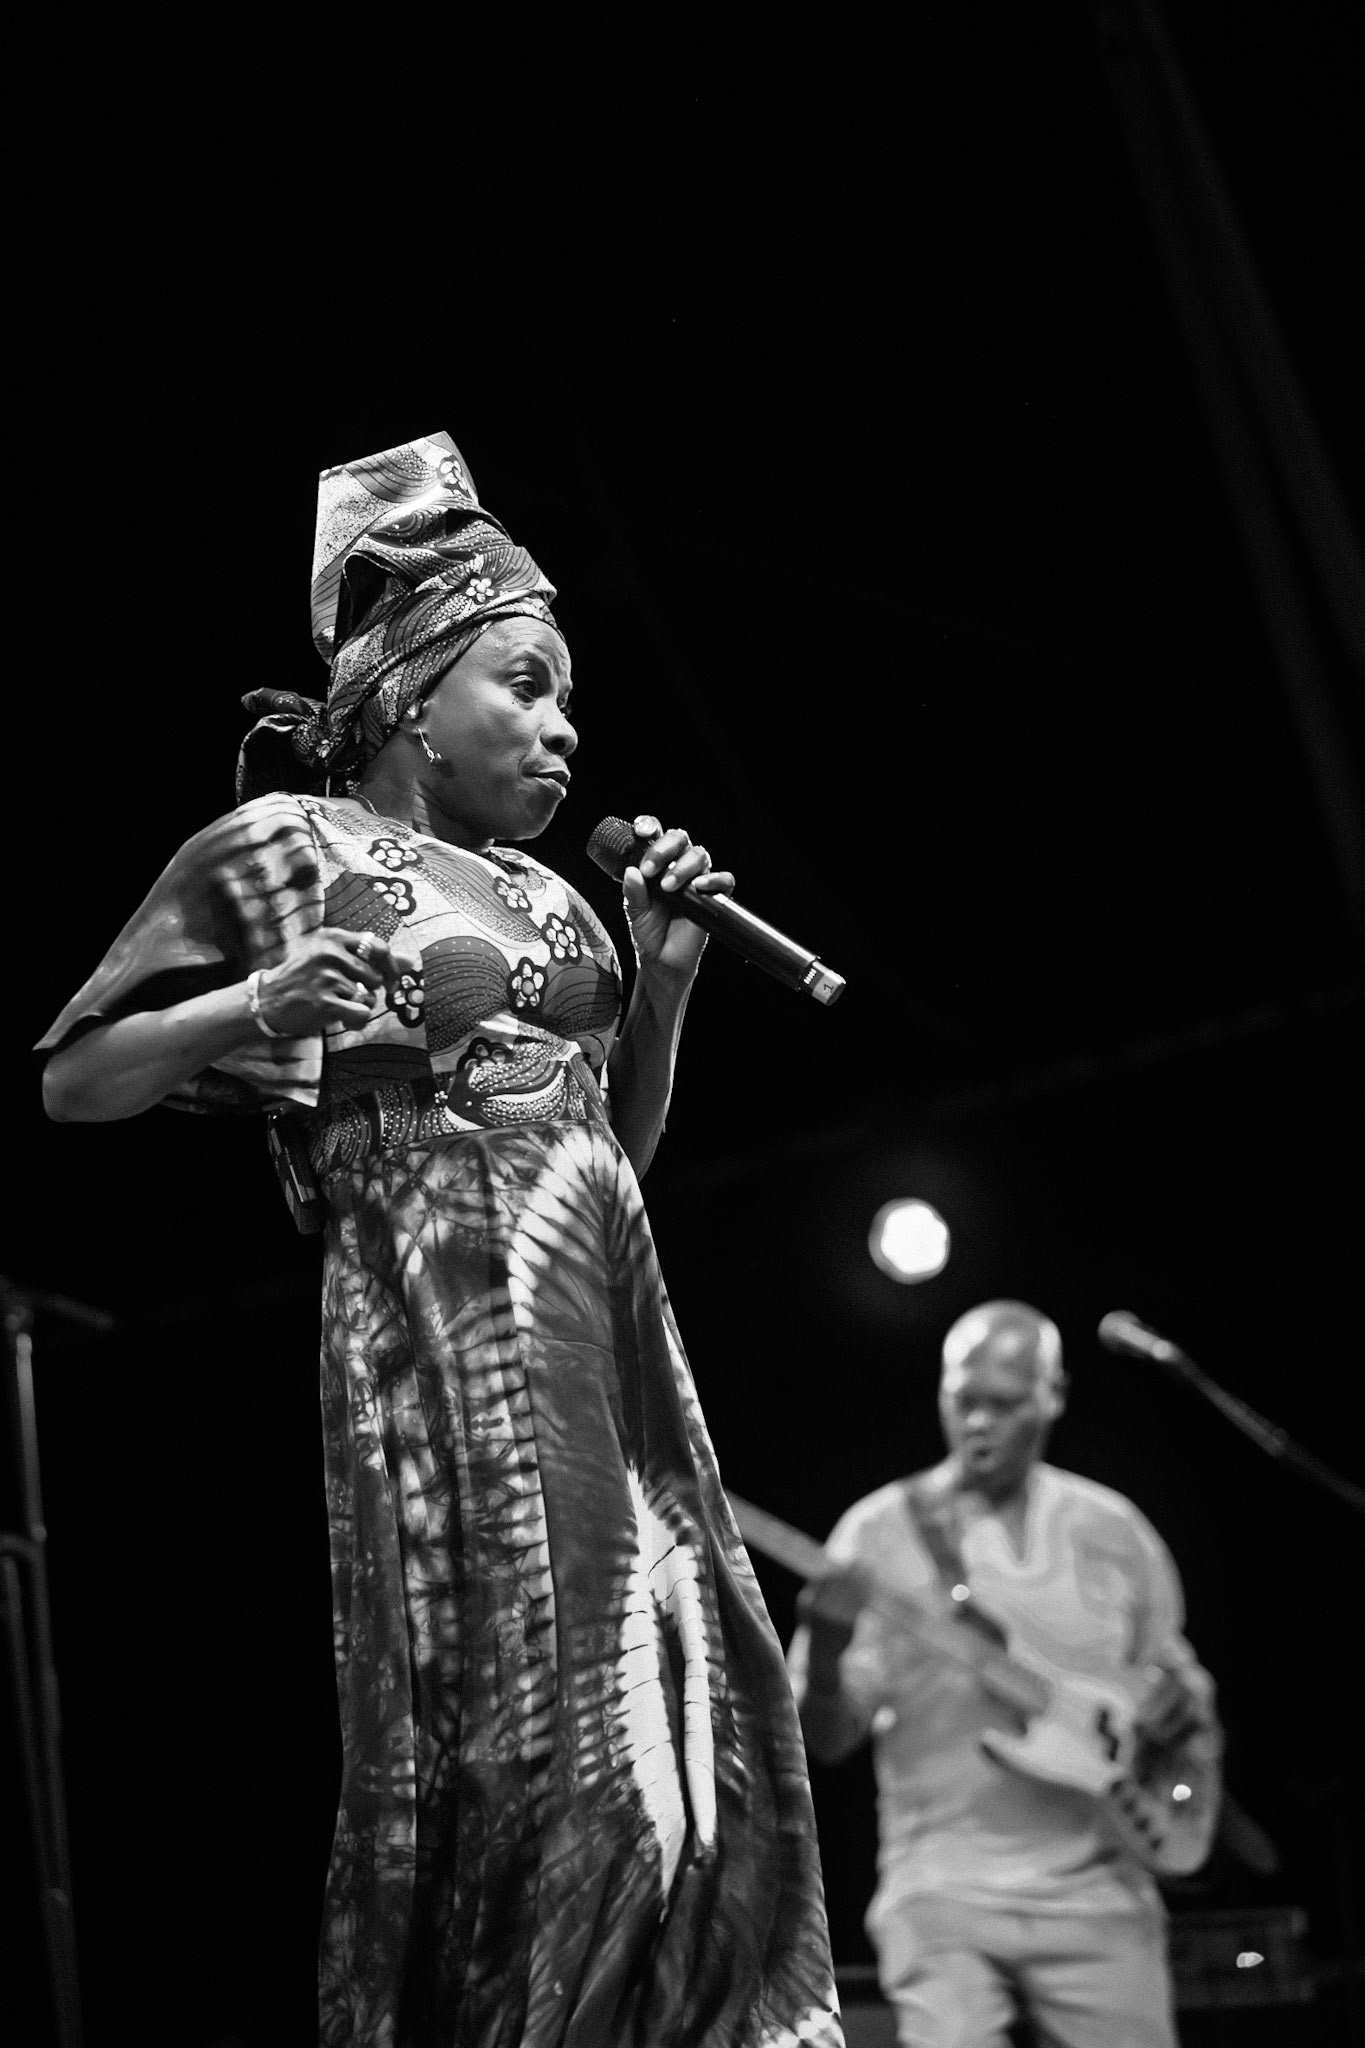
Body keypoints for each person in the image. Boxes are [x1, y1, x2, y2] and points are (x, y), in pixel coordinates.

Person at [40, 432, 842, 2048]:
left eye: (565, 701)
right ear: (409, 690)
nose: (560, 728)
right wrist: (252, 1004)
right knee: (519, 1713)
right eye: (526, 685)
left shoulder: (555, 898)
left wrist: (665, 981)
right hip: (436, 1308)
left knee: (674, 1693)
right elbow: (73, 1081)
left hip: (601, 1318)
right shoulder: (286, 848)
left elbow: (609, 1155)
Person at [788, 1299, 1220, 2048]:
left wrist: (1177, 1708)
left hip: (1100, 1891)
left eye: (1004, 1404)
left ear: (1052, 1396)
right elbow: (826, 1742)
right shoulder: (876, 1535)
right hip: (941, 1891)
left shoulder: (1113, 1529)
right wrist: (822, 1651)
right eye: (963, 1401)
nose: (978, 1423)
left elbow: (1179, 1687)